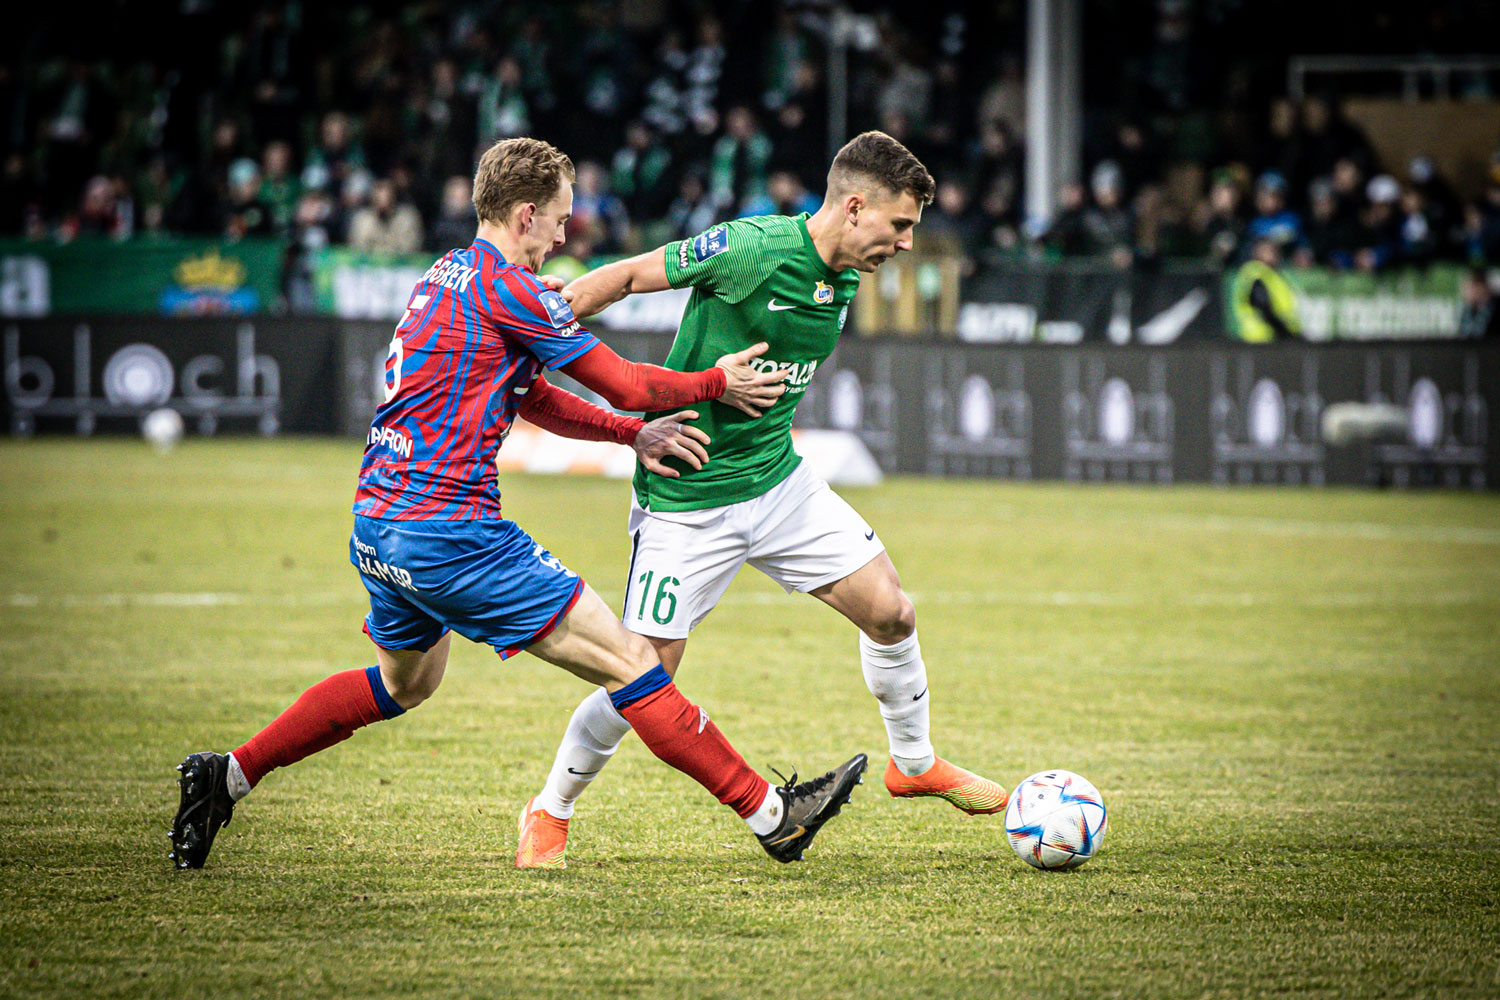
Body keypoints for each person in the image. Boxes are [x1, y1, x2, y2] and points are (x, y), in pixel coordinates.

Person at [169, 137, 867, 872]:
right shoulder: (509, 289)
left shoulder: (446, 273)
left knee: (407, 683)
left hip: (379, 523)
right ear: (526, 214)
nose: (563, 238)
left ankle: (227, 775)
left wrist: (631, 435)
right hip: (452, 532)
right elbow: (627, 383)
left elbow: (533, 398)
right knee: (634, 663)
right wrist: (715, 383)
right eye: (560, 221)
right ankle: (772, 816)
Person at [515, 131, 1009, 870]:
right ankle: (550, 809)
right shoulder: (752, 248)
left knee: (892, 612)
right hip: (689, 496)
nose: (907, 243)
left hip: (780, 484)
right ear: (853, 207)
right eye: (900, 225)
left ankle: (914, 763)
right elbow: (629, 275)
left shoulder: (847, 274)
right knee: (643, 675)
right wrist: (541, 326)